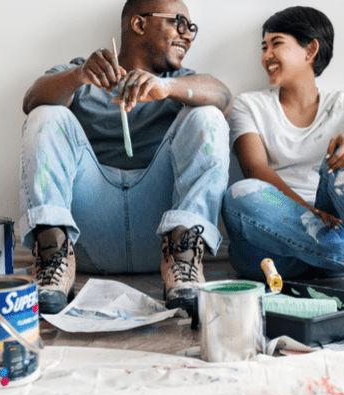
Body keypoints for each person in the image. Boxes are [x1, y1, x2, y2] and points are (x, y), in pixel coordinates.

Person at [20, 0, 231, 314]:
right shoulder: (82, 74)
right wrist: (79, 75)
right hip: (89, 235)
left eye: (192, 29)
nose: (188, 36)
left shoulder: (181, 81)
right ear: (139, 24)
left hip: (159, 236)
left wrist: (166, 87)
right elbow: (32, 99)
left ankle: (185, 265)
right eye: (179, 23)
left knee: (208, 116)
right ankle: (52, 259)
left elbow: (223, 95)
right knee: (46, 115)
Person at [223, 6, 344, 327]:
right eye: (264, 47)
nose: (266, 55)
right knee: (242, 193)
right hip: (270, 249)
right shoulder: (250, 105)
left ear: (310, 50)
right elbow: (255, 168)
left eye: (277, 44)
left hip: (330, 226)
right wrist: (309, 211)